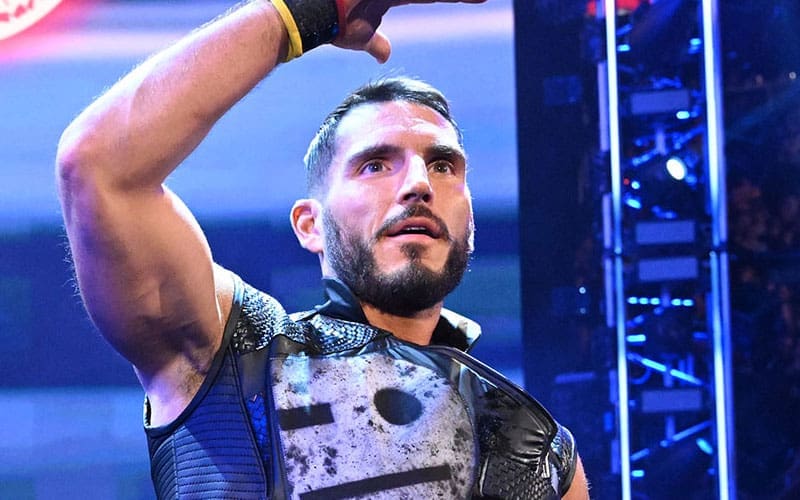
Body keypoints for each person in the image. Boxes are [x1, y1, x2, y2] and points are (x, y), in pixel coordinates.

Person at [56, 0, 590, 498]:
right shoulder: (233, 350)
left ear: (469, 220)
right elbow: (98, 166)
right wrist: (310, 11)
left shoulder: (537, 447)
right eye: (375, 164)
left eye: (443, 165)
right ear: (309, 225)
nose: (418, 185)